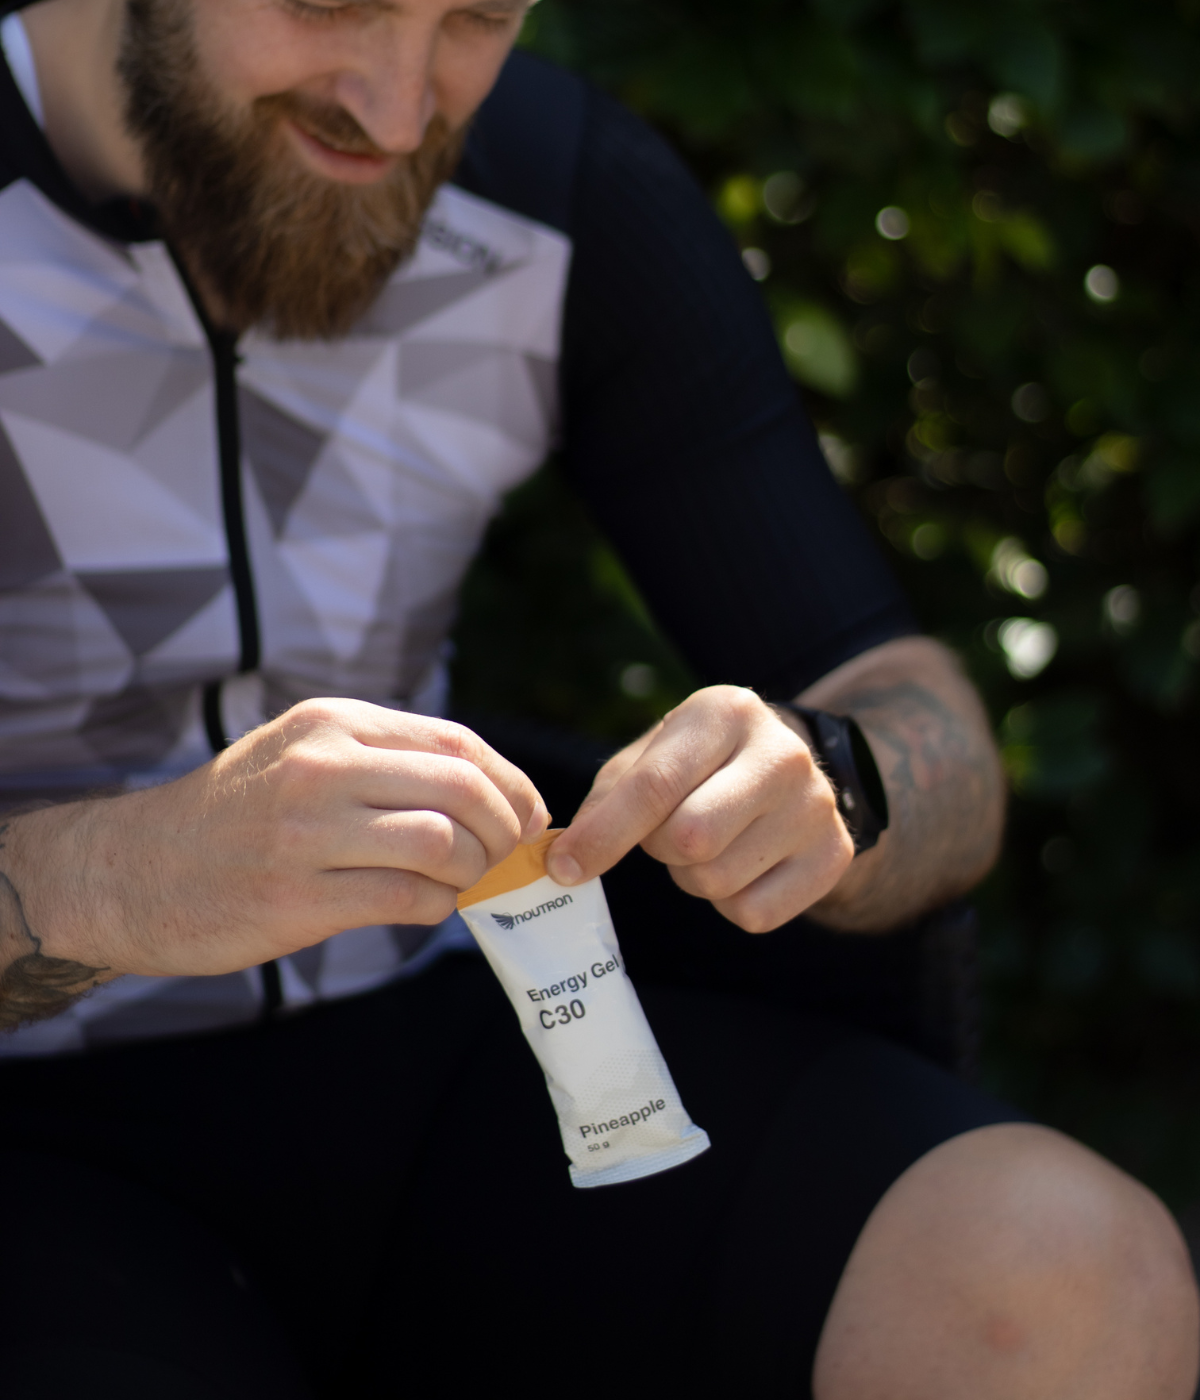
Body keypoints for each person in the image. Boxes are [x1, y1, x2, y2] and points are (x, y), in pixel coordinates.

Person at [0, 0, 1195, 1395]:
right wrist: (119, 881)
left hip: (447, 1054)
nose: (397, 111)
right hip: (36, 1125)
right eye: (334, 1)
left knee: (1062, 1275)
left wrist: (837, 782)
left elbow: (919, 718)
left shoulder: (554, 189)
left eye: (475, 18)